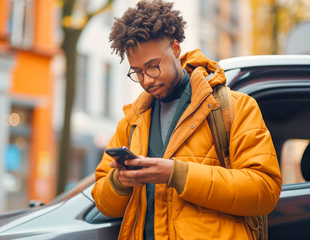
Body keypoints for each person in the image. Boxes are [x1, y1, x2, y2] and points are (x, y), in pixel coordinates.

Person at [91, 0, 282, 239]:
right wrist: (120, 181)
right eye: (137, 72)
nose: (146, 80)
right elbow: (103, 202)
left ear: (175, 49)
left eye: (152, 67)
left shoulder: (234, 107)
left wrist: (176, 173)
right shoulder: (132, 121)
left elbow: (264, 191)